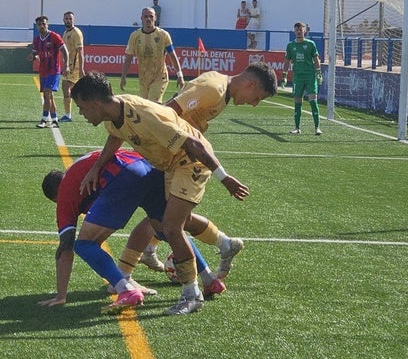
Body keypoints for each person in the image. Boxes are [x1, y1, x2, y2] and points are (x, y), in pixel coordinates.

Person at [72, 72, 249, 315]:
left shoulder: (146, 116)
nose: (81, 113)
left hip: (191, 163)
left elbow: (193, 145)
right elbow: (116, 135)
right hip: (170, 166)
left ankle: (192, 295)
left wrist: (224, 177)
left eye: (82, 108)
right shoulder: (112, 114)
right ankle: (211, 275)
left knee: (171, 226)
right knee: (168, 223)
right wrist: (96, 168)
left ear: (95, 104)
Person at [135, 62, 278, 275]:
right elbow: (167, 111)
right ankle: (213, 256)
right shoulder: (214, 89)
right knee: (168, 218)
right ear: (250, 84)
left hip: (177, 157)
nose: (255, 104)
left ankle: (145, 257)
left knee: (169, 217)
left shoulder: (221, 91)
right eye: (257, 97)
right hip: (169, 154)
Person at [37, 150, 226, 310]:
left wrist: (61, 295)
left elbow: (65, 247)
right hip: (150, 168)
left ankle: (125, 289)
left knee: (84, 244)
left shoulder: (65, 192)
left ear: (56, 196)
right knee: (170, 229)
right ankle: (210, 280)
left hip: (125, 177)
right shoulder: (79, 168)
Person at [120, 7, 184, 103]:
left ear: (155, 18)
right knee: (145, 109)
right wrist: (123, 76)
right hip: (143, 80)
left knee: (152, 105)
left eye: (151, 16)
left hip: (159, 77)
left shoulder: (163, 35)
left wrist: (180, 75)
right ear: (141, 18)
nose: (148, 19)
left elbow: (172, 56)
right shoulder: (134, 36)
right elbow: (128, 57)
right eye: (146, 16)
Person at [281, 22, 323, 136]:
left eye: (300, 30)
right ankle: (297, 128)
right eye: (297, 30)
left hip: (310, 76)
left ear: (304, 31)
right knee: (297, 102)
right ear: (294, 32)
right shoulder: (290, 46)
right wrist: (284, 75)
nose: (299, 32)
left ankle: (317, 128)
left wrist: (318, 72)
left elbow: (316, 59)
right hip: (298, 77)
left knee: (313, 101)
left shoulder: (310, 44)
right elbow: (287, 61)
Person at [27, 15, 69, 128]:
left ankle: (44, 120)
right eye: (39, 24)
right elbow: (36, 54)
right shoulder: (36, 40)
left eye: (44, 24)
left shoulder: (54, 36)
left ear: (47, 24)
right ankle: (55, 120)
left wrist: (66, 65)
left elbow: (65, 50)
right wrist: (33, 57)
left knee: (46, 93)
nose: (42, 26)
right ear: (37, 26)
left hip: (54, 70)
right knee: (49, 96)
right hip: (43, 71)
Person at [58, 11, 85, 123]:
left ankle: (68, 115)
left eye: (70, 18)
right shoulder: (65, 33)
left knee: (65, 87)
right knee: (75, 92)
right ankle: (88, 108)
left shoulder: (76, 33)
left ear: (74, 20)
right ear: (63, 20)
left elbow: (81, 52)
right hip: (68, 65)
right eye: (66, 18)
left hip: (74, 66)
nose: (68, 20)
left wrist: (81, 68)